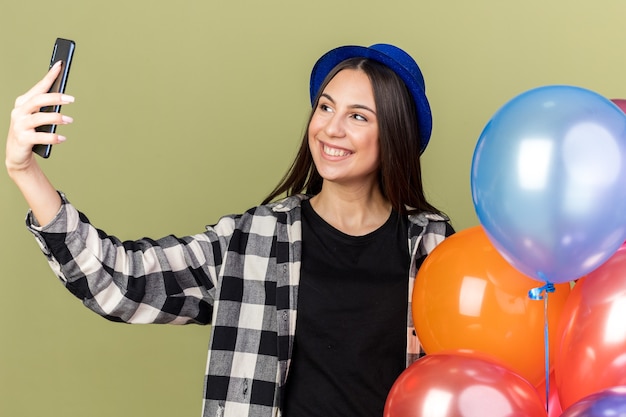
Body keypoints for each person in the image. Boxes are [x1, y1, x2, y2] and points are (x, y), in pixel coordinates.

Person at [6, 43, 454, 417]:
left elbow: (493, 350)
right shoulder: (255, 238)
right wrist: (24, 170)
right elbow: (120, 283)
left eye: (358, 116)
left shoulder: (434, 245)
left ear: (394, 133)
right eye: (325, 107)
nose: (330, 129)